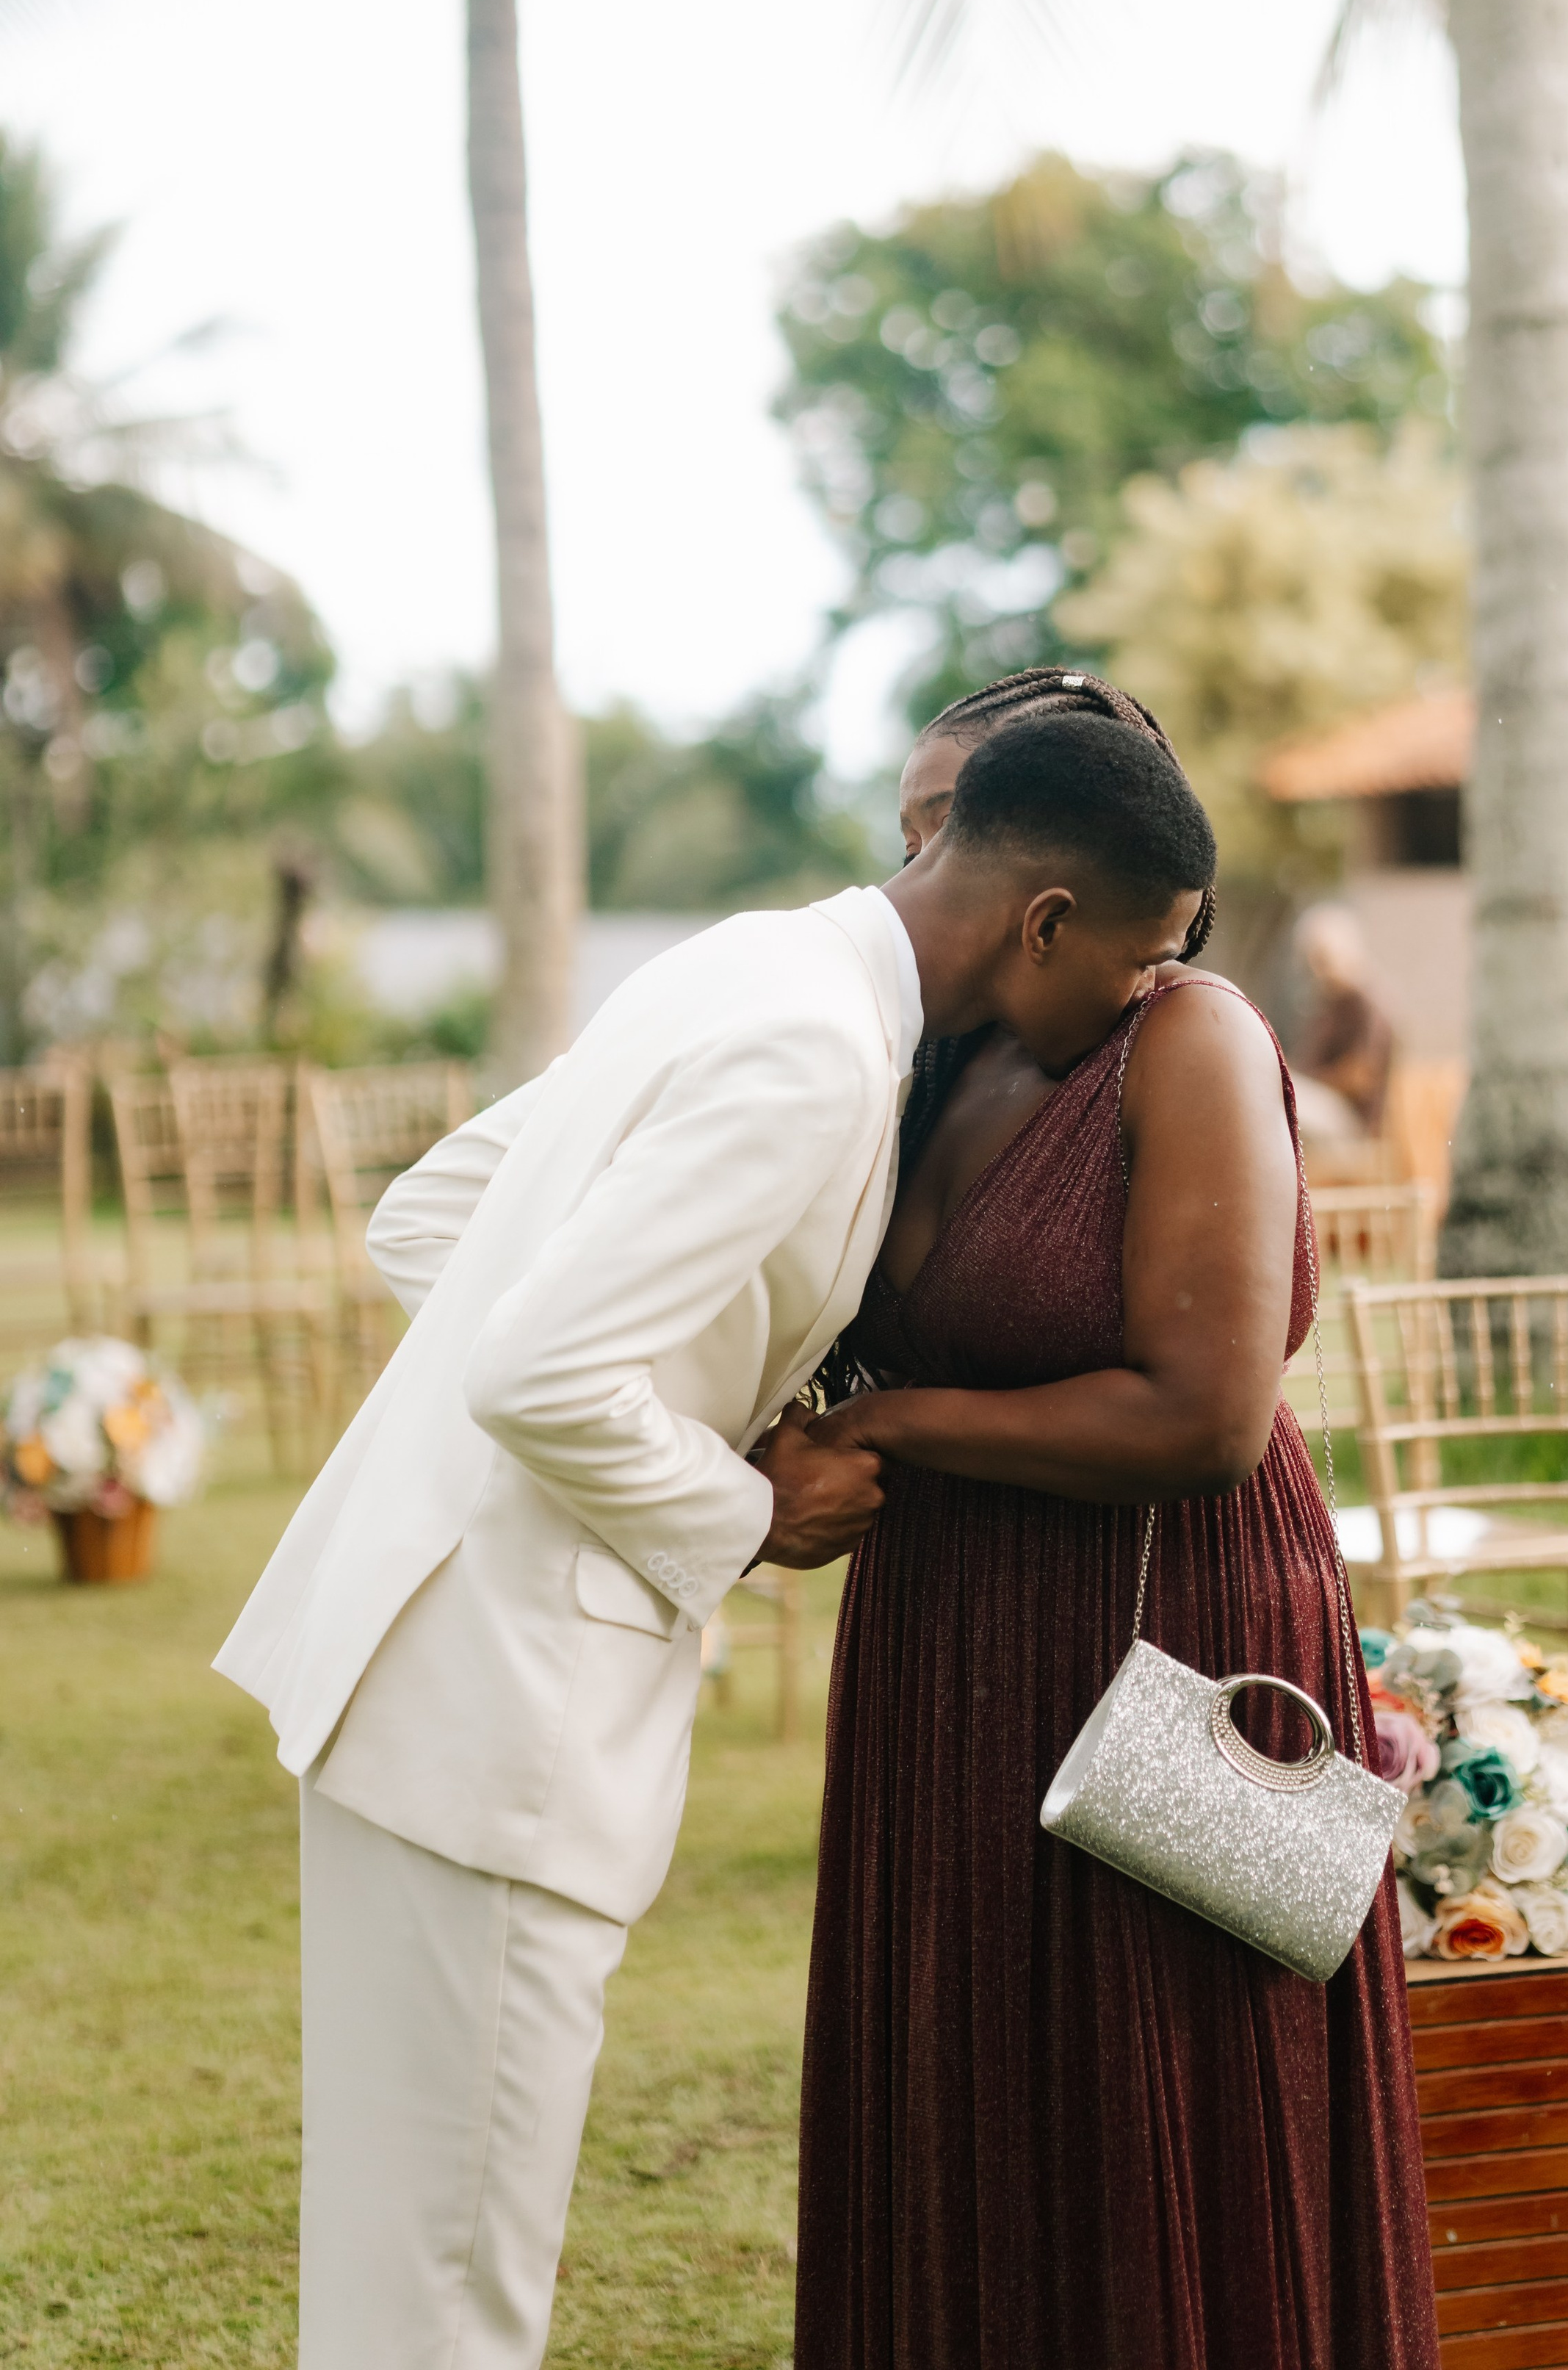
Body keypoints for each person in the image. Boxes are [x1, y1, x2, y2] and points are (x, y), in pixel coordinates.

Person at [213, 710, 1213, 2370]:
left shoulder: (748, 961)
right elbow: (532, 1361)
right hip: (494, 1706)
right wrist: (750, 1499)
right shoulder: (814, 1051)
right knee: (448, 2297)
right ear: (1046, 919)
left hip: (420, 1666)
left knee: (405, 2272)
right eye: (1138, 958)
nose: (1139, 1000)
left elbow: (439, 1220)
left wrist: (700, 1368)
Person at [795, 671, 1439, 2370]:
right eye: (920, 822)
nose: (930, 862)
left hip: (1164, 1616)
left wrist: (895, 1421)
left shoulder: (1187, 1033)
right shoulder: (926, 1052)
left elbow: (1206, 1414)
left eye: (958, 823)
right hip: (949, 1628)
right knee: (970, 2082)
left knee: (1163, 2097)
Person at [1294, 901, 1395, 1140]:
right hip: (1328, 1107)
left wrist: (1311, 1082)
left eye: (1323, 959)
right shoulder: (1331, 1004)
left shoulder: (1366, 1003)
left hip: (1354, 1123)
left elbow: (1361, 1076)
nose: (1318, 970)